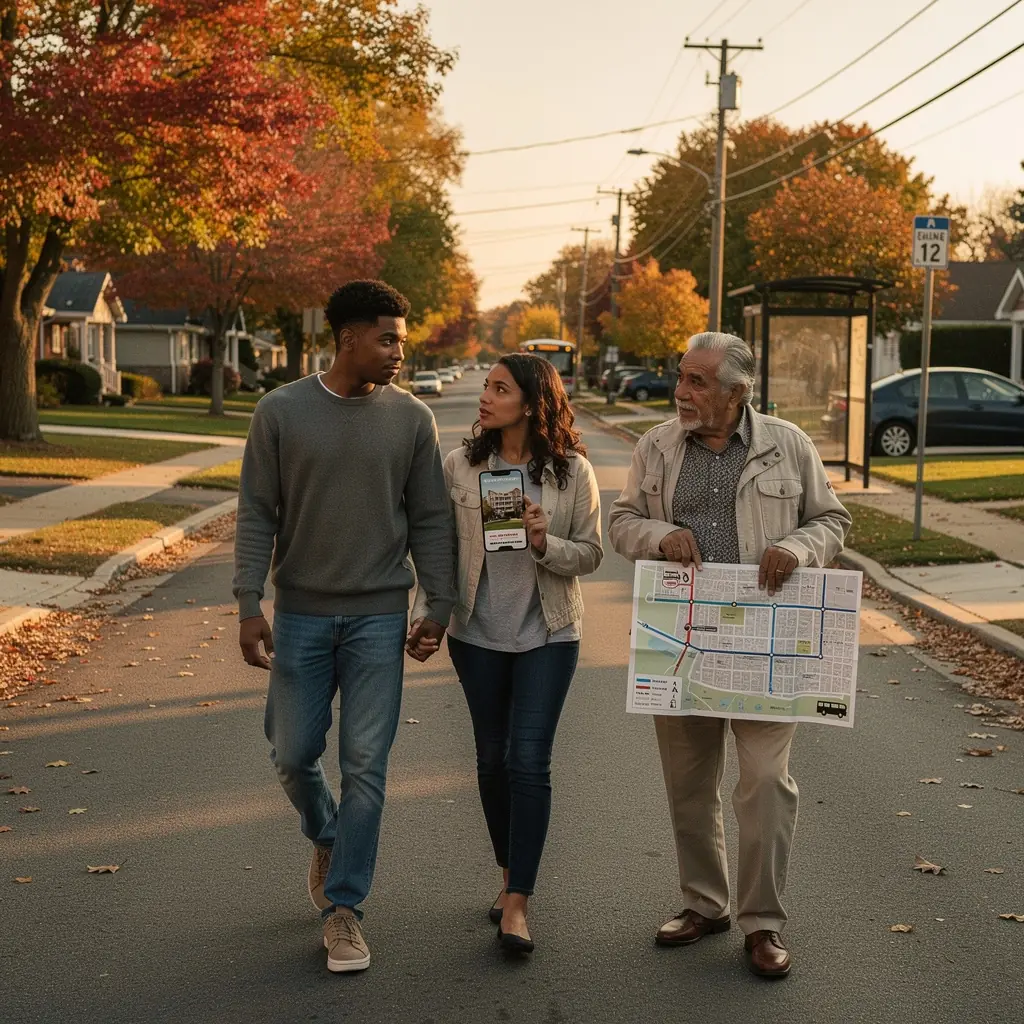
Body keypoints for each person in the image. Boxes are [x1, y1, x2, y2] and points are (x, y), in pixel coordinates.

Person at [608, 332, 851, 979]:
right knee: (689, 786)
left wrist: (799, 548)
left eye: (697, 382)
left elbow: (832, 520)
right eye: (681, 378)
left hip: (769, 646)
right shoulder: (655, 447)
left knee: (767, 782)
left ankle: (762, 923)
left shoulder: (789, 446)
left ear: (737, 392)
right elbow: (622, 522)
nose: (681, 393)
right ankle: (704, 904)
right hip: (683, 641)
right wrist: (662, 537)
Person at [233, 280, 454, 974]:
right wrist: (247, 602)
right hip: (299, 613)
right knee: (293, 753)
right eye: (387, 338)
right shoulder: (280, 412)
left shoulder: (413, 419)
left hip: (378, 617)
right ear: (348, 337)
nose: (398, 351)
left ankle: (344, 908)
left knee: (367, 764)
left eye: (403, 339)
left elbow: (429, 519)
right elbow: (256, 513)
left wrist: (437, 604)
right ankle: (329, 836)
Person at [410, 354, 602, 955]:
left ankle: (518, 902)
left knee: (528, 760)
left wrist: (547, 541)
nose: (485, 398)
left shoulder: (572, 474)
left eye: (499, 388)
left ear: (532, 401)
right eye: (487, 387)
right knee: (491, 761)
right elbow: (436, 546)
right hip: (478, 634)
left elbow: (591, 554)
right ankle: (505, 876)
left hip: (549, 633)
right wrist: (430, 612)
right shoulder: (460, 467)